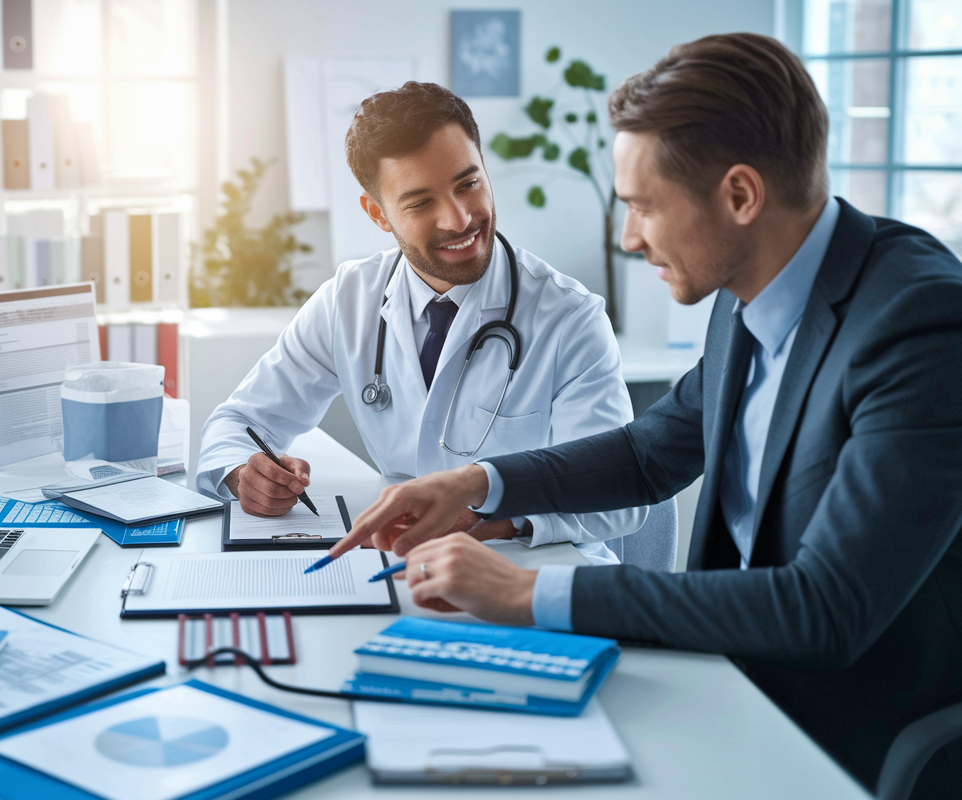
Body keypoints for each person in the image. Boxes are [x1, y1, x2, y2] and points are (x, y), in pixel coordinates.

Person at [330, 33, 962, 796]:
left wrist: (526, 593)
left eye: (643, 208)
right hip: (726, 682)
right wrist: (472, 485)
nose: (628, 239)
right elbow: (647, 454)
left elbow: (824, 609)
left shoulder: (919, 324)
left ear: (738, 195)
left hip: (847, 736)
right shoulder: (751, 292)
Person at [196, 81, 646, 563]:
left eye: (468, 184)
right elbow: (238, 422)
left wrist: (487, 522)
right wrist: (244, 475)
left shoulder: (570, 318)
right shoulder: (347, 302)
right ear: (378, 214)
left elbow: (617, 496)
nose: (458, 220)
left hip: (536, 570)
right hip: (400, 565)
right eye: (420, 203)